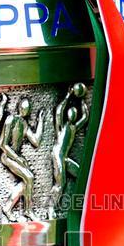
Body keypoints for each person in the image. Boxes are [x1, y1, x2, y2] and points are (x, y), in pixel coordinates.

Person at [0, 97, 43, 221]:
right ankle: (28, 211)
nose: (25, 110)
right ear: (19, 107)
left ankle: (8, 207)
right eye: (23, 107)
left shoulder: (24, 123)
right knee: (29, 177)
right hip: (8, 157)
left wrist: (40, 122)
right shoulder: (10, 120)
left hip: (18, 158)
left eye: (27, 109)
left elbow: (35, 141)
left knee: (26, 182)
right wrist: (18, 159)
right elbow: (2, 144)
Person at [49, 83, 88, 218]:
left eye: (75, 113)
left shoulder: (72, 128)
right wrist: (68, 95)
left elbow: (85, 118)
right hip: (58, 156)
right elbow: (59, 111)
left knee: (80, 175)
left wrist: (83, 101)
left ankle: (79, 205)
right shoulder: (62, 127)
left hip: (65, 157)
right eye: (71, 113)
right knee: (60, 183)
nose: (73, 114)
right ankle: (51, 209)